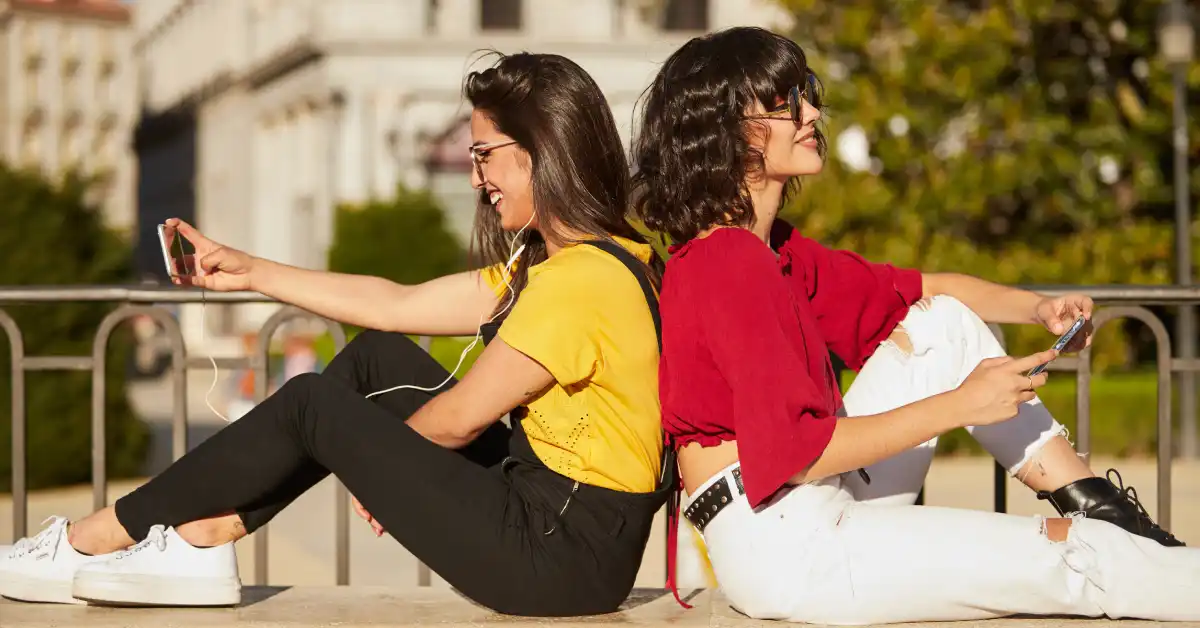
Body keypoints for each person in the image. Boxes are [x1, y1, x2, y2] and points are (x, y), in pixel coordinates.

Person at [0, 52, 671, 616]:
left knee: (311, 406)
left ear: (541, 152)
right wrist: (250, 271)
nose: (475, 178)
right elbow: (393, 305)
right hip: (557, 528)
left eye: (485, 155)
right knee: (374, 358)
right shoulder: (581, 263)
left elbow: (461, 419)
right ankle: (204, 540)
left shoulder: (580, 282)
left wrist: (379, 464)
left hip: (558, 555)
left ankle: (92, 540)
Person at [632, 26, 1199, 624]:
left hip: (803, 511)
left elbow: (927, 292)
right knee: (1082, 559)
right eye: (782, 102)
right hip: (788, 544)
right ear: (724, 134)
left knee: (943, 326)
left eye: (806, 91)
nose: (810, 111)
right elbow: (795, 454)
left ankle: (1098, 506)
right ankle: (1111, 537)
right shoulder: (730, 264)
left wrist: (1037, 307)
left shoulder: (773, 251)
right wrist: (964, 405)